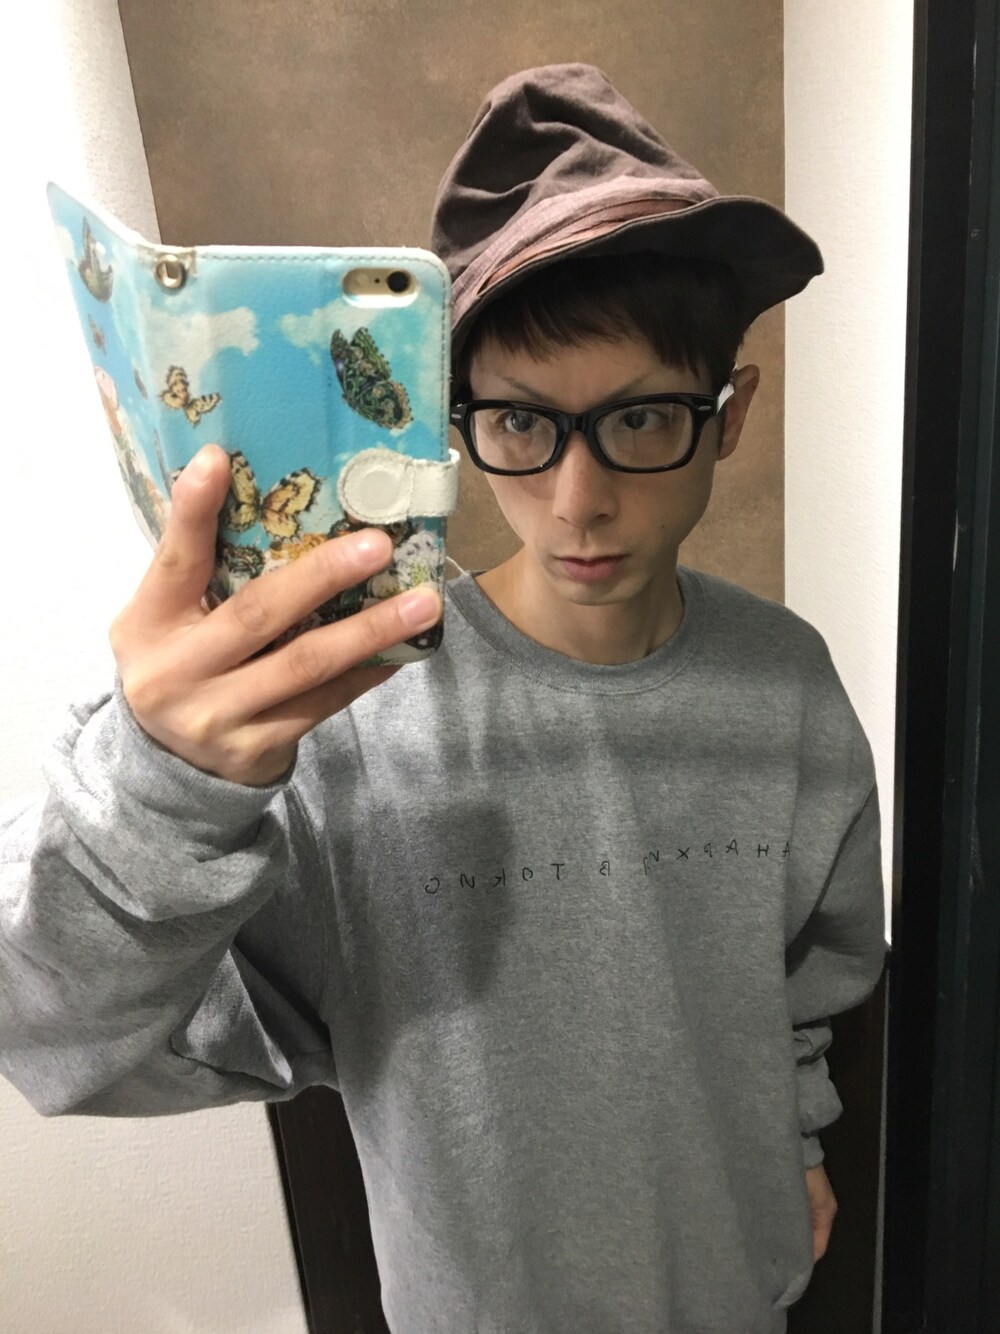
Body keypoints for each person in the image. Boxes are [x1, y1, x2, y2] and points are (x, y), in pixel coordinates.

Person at [0, 64, 885, 1334]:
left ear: (727, 413)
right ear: (450, 427)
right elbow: (53, 1035)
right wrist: (157, 789)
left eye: (642, 419)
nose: (578, 499)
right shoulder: (352, 715)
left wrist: (793, 1136)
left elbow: (806, 974)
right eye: (520, 423)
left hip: (740, 1292)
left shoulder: (787, 681)